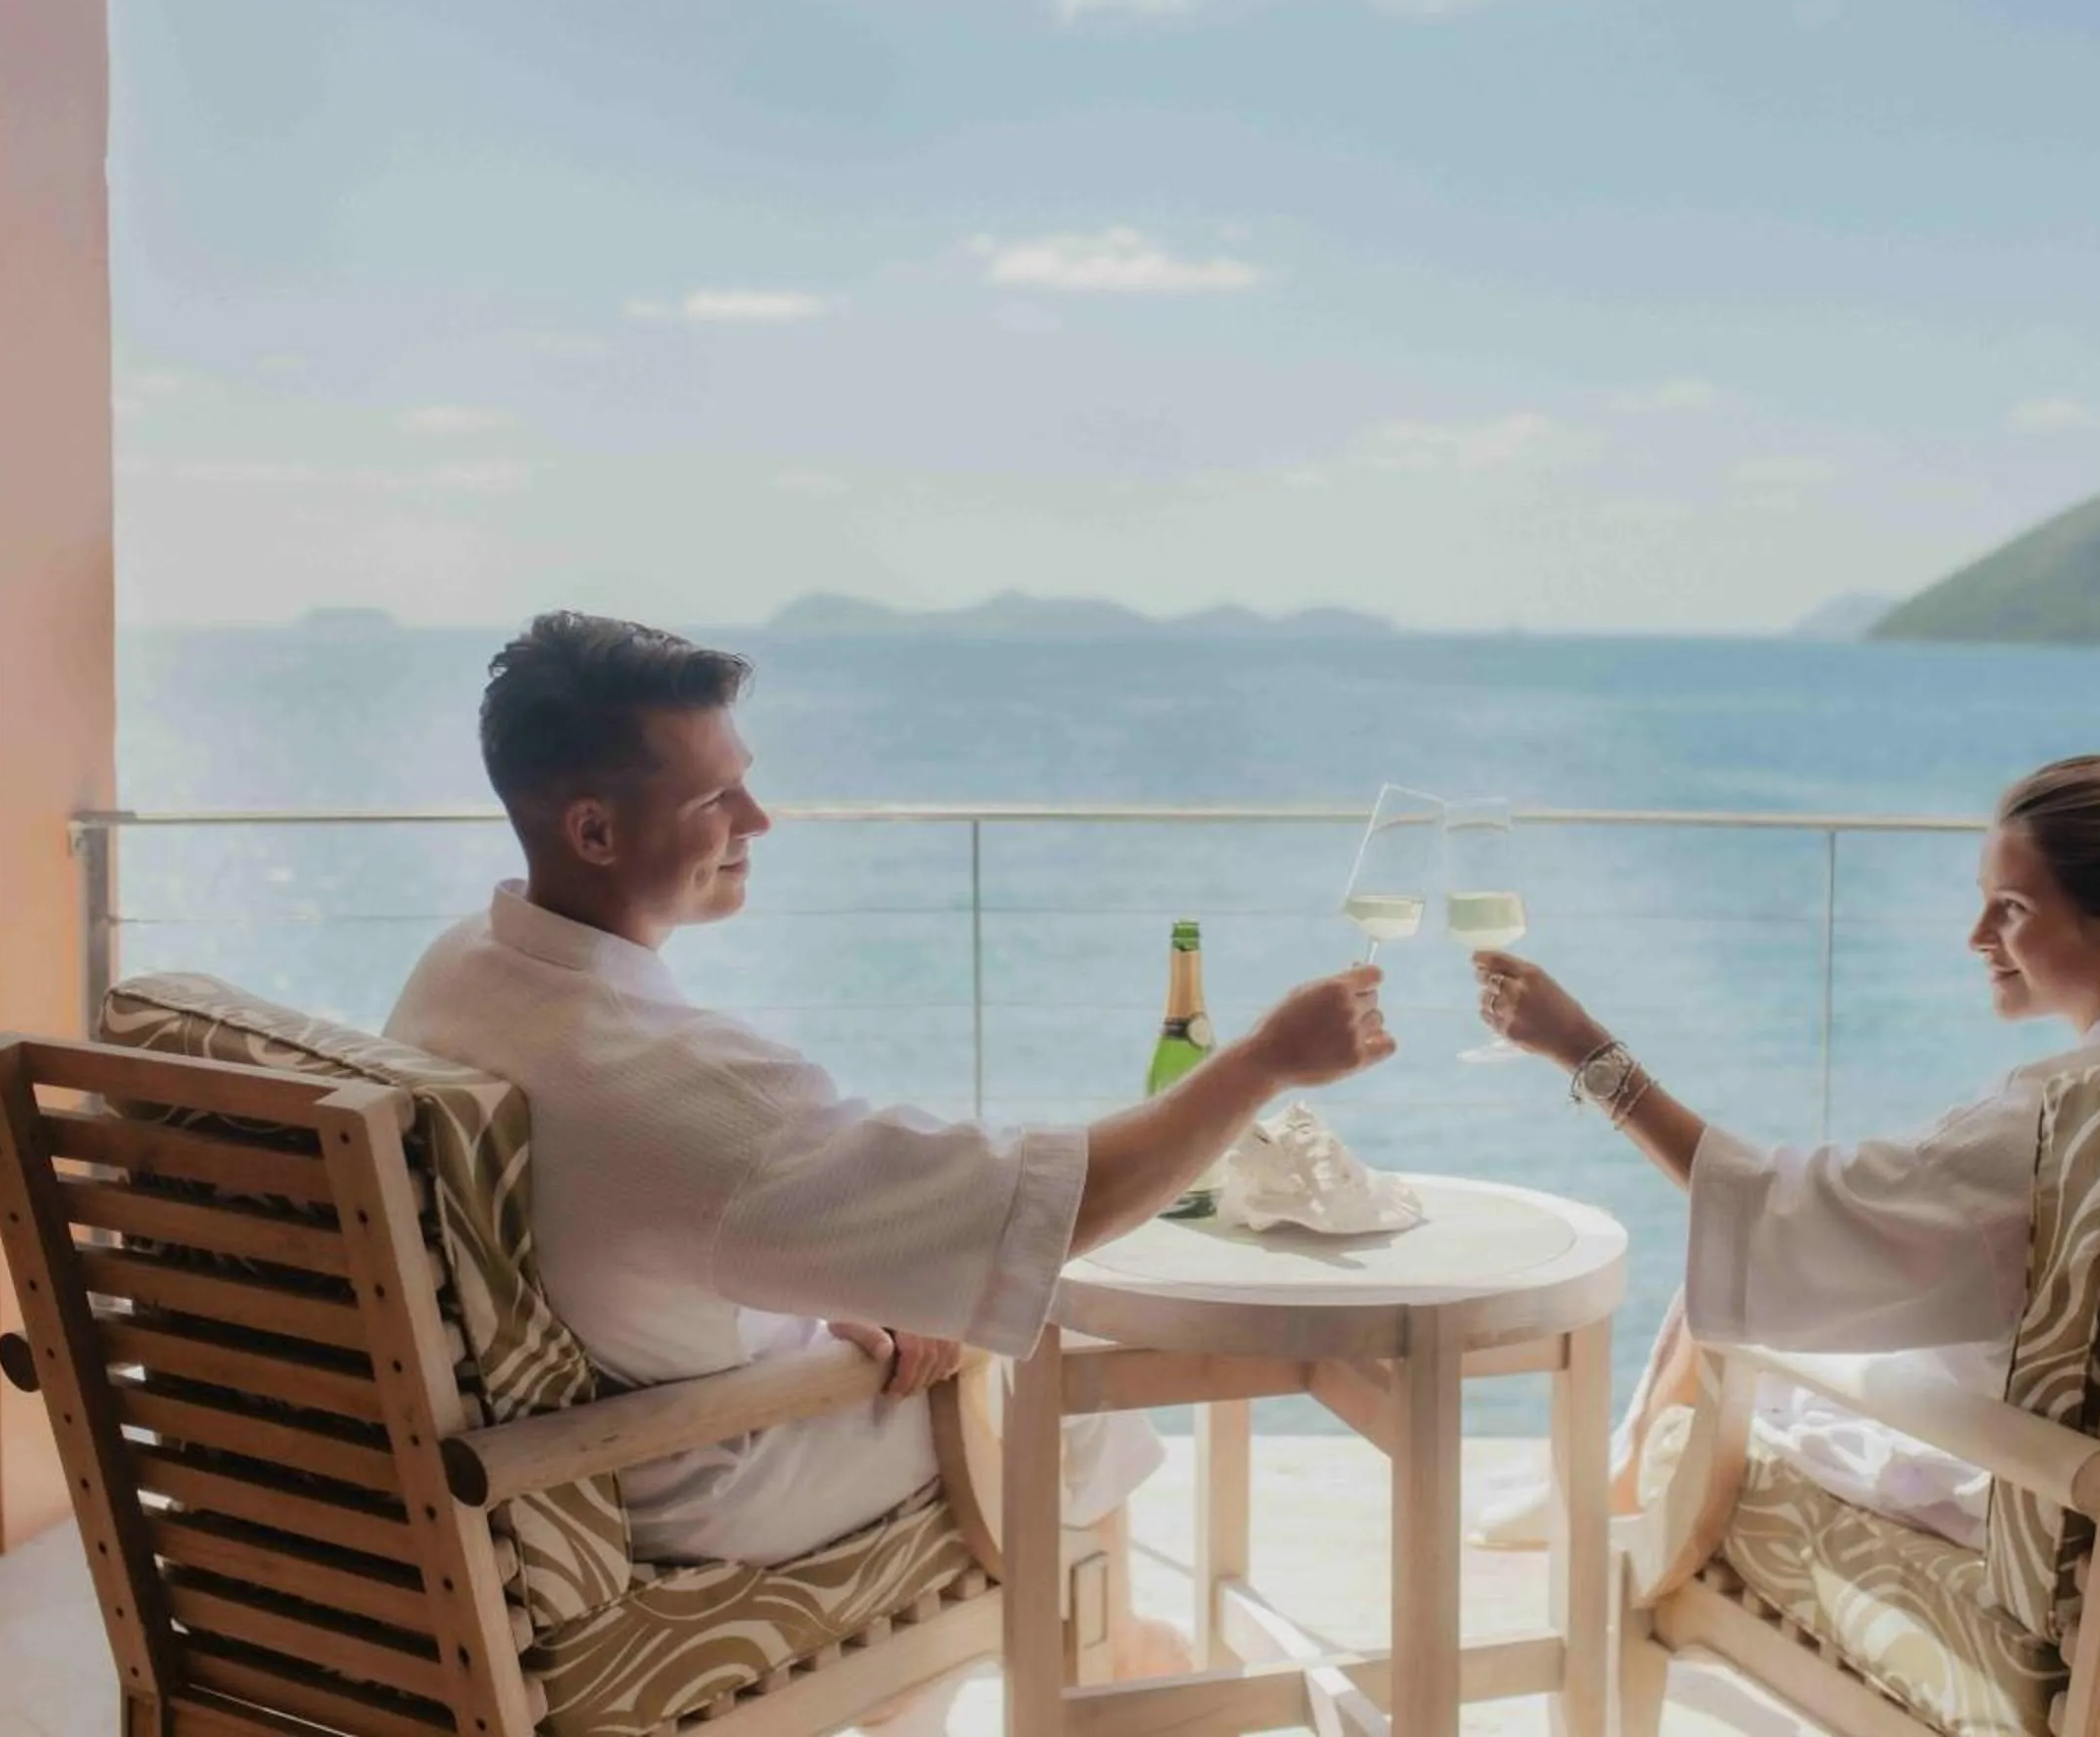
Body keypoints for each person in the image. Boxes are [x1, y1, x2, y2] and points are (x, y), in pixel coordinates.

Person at [385, 613, 1394, 1590]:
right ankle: (1111, 1664)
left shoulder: (462, 971)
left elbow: (631, 1206)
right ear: (594, 829)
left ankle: (960, 1685)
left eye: (748, 785)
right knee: (1056, 1355)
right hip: (689, 1482)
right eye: (715, 800)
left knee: (948, 1313)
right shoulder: (686, 1089)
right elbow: (1043, 1213)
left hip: (551, 1447)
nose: (757, 821)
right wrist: (1265, 1058)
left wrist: (841, 1270)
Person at [1468, 754, 2100, 1550]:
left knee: (1739, 1275)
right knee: (1773, 1263)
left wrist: (1584, 1050)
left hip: (2047, 1487)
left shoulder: (2058, 1119)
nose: (1976, 936)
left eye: (2010, 909)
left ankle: (1618, 1487)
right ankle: (1613, 1476)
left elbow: (1776, 1213)